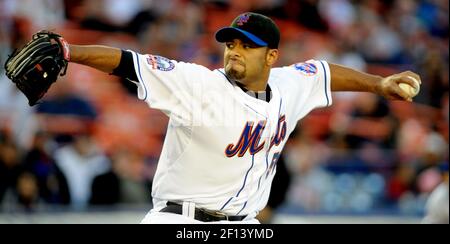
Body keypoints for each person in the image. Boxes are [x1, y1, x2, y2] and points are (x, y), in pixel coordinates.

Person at [59, 12, 420, 223]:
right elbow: (127, 61)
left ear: (271, 56)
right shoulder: (199, 84)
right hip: (179, 221)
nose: (234, 51)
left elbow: (324, 72)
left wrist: (379, 84)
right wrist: (68, 50)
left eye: (247, 45)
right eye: (231, 43)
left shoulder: (289, 83)